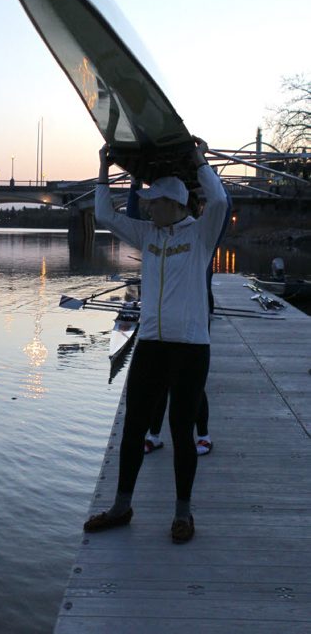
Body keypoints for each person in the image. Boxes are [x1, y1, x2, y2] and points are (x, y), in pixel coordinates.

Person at [84, 137, 227, 543]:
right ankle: (121, 506)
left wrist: (199, 161)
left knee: (181, 430)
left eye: (155, 202)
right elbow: (103, 214)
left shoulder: (201, 235)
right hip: (151, 343)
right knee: (133, 428)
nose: (148, 207)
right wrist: (103, 171)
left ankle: (183, 514)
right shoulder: (148, 235)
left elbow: (217, 201)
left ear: (176, 204)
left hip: (190, 347)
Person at [126, 181, 232, 457]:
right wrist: (135, 182)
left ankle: (204, 435)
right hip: (160, 322)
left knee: (191, 389)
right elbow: (133, 216)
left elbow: (223, 203)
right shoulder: (163, 232)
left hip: (193, 313)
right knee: (159, 385)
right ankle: (155, 434)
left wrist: (204, 166)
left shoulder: (202, 235)